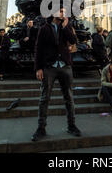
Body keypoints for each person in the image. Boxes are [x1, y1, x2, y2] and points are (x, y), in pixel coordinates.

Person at [32, 8, 80, 142]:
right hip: (49, 67)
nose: (63, 14)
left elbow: (73, 40)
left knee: (69, 98)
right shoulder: (44, 28)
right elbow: (38, 49)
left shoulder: (67, 27)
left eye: (64, 12)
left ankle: (72, 125)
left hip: (65, 66)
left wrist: (65, 26)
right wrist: (39, 68)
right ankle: (41, 128)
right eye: (60, 11)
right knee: (44, 98)